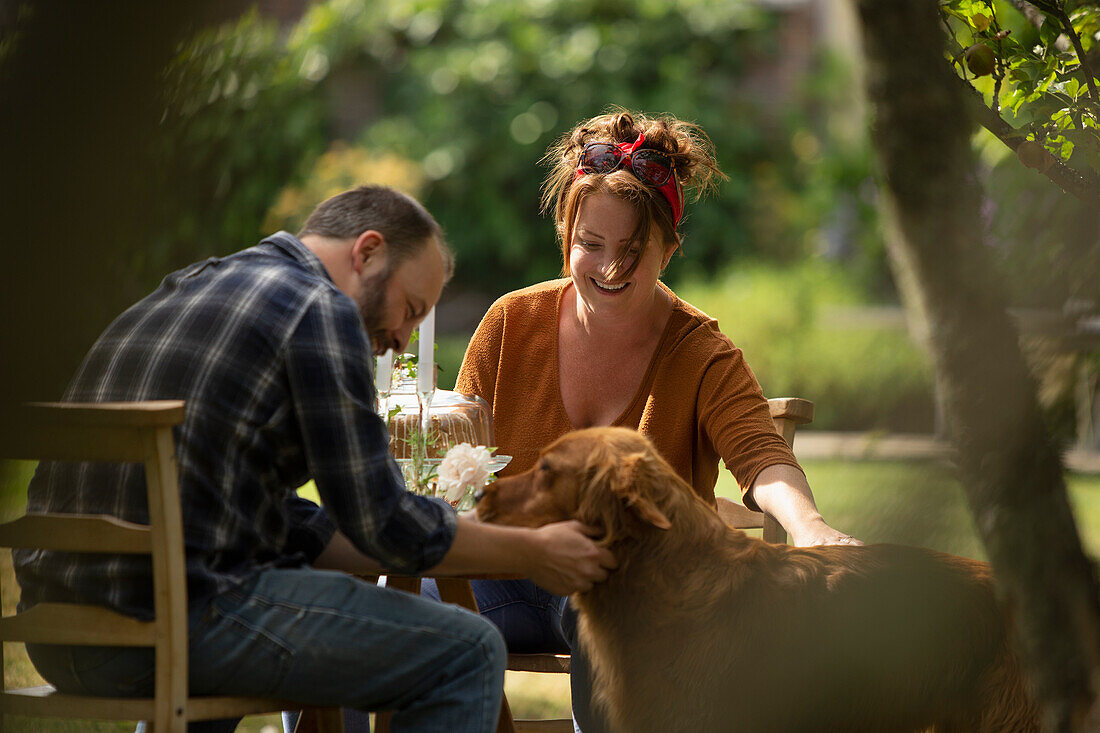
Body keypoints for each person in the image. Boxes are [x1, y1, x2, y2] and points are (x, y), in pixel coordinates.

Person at [14, 185, 617, 733]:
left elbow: (252, 512)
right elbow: (386, 526)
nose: (403, 340)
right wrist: (534, 552)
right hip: (179, 631)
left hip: (59, 634)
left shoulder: (183, 288)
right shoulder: (318, 310)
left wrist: (425, 537)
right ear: (368, 253)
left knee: (260, 584)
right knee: (468, 650)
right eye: (410, 308)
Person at [439, 110, 861, 733]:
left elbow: (759, 452)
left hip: (628, 584)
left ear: (669, 247)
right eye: (591, 244)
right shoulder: (510, 323)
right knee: (370, 608)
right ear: (564, 231)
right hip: (501, 569)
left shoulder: (701, 350)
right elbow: (456, 457)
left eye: (633, 250)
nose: (610, 268)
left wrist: (809, 525)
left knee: (611, 603)